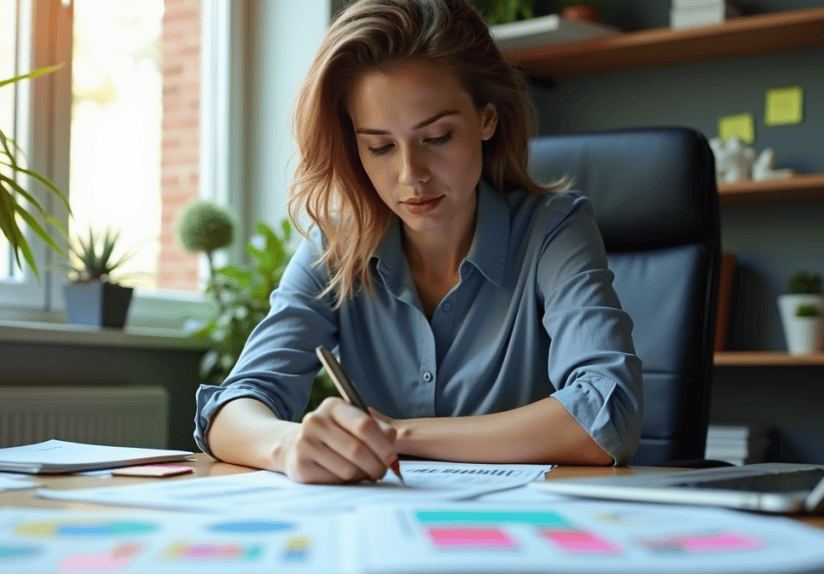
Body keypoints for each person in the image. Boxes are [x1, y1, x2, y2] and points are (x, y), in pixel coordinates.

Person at [194, 0, 643, 484]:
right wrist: (289, 445)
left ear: (486, 120)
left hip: (521, 535)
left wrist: (396, 435)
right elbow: (229, 411)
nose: (412, 176)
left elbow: (607, 414)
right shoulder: (336, 245)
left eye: (438, 137)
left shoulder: (554, 230)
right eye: (380, 146)